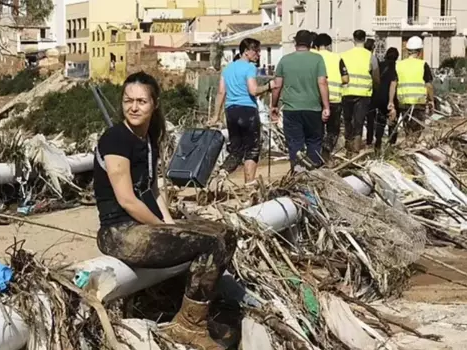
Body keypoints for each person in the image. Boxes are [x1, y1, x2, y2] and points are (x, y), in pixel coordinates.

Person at [95, 71, 237, 349]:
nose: (133, 107)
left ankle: (199, 315)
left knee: (225, 234)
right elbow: (127, 200)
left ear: (154, 104)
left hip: (142, 227)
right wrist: (164, 229)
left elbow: (153, 191)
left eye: (141, 101)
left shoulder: (147, 139)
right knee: (208, 244)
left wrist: (172, 224)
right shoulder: (116, 139)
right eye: (128, 101)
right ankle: (189, 326)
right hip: (120, 232)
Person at [210, 38, 274, 184]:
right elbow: (253, 91)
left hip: (231, 112)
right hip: (247, 111)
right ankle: (249, 185)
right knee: (252, 150)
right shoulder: (249, 67)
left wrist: (215, 116)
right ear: (246, 52)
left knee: (236, 150)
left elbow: (220, 93)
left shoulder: (227, 69)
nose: (258, 54)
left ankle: (222, 173)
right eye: (256, 51)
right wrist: (268, 87)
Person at [271, 30, 330, 170]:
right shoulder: (317, 59)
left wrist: (274, 105)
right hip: (313, 109)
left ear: (295, 42)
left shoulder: (285, 60)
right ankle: (314, 174)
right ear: (310, 43)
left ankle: (298, 175)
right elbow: (322, 83)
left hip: (292, 110)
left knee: (295, 144)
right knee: (314, 142)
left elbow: (277, 85)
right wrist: (326, 107)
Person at [340, 30, 380, 156]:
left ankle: (348, 148)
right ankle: (356, 150)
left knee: (347, 121)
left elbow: (341, 73)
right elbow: (376, 77)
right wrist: (375, 89)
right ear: (364, 39)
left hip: (347, 92)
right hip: (363, 94)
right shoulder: (370, 57)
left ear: (353, 39)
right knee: (359, 122)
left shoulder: (344, 55)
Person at [389, 36, 434, 143]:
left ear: (408, 51)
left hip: (404, 104)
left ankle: (409, 147)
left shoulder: (399, 65)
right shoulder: (423, 65)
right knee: (417, 132)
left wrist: (391, 101)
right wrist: (431, 100)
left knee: (408, 130)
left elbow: (393, 84)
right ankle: (411, 149)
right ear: (419, 52)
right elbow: (428, 85)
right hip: (418, 104)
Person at [314, 33, 350, 162]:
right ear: (329, 45)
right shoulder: (337, 57)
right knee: (332, 130)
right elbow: (345, 78)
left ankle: (315, 155)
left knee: (317, 129)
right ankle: (326, 152)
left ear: (317, 46)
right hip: (334, 99)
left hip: (316, 100)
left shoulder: (313, 57)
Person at [371, 47, 400, 151]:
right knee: (393, 121)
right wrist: (391, 101)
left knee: (380, 121)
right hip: (390, 98)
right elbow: (393, 83)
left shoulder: (380, 65)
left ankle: (378, 143)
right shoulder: (395, 67)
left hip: (379, 98)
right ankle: (391, 145)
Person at [363, 38, 381, 147]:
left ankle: (354, 143)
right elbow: (376, 78)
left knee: (356, 120)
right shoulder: (372, 58)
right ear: (373, 48)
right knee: (370, 119)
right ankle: (369, 141)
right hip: (369, 93)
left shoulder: (357, 57)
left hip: (352, 91)